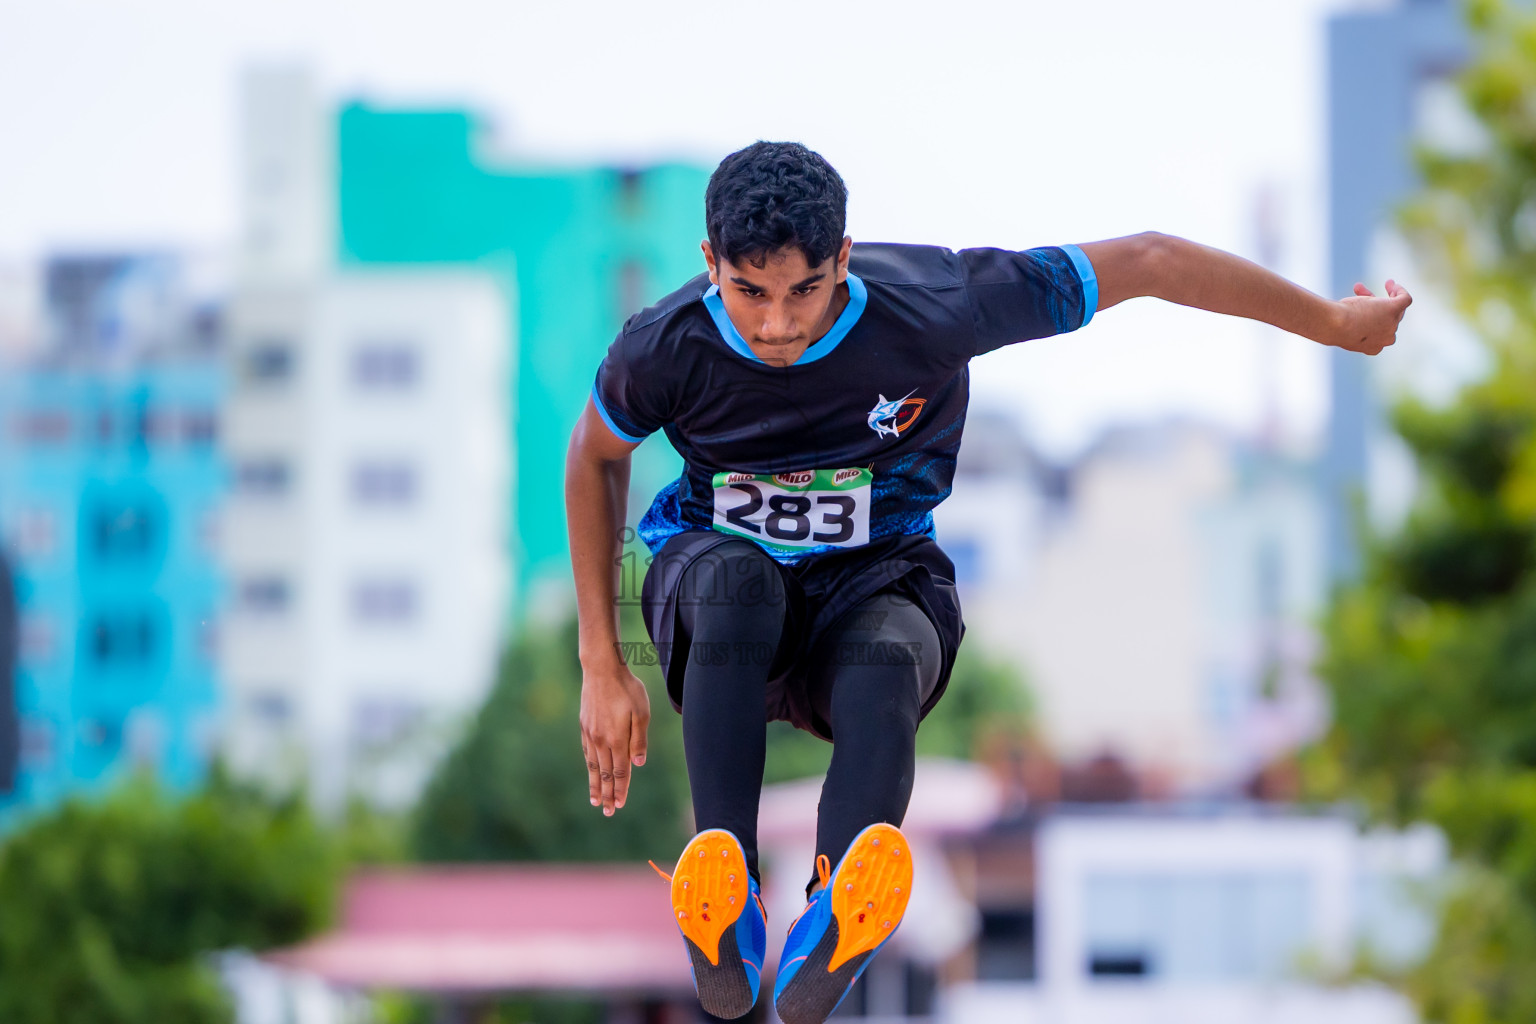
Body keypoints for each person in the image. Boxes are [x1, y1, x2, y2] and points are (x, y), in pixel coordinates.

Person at [565, 141, 1410, 1022]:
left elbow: (1152, 259)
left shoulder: (936, 305)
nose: (777, 326)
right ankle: (725, 895)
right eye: (750, 294)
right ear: (711, 266)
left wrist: (1334, 325)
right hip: (721, 595)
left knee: (888, 655)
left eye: (803, 291)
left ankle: (837, 912)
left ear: (843, 258)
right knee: (741, 583)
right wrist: (601, 661)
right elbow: (594, 459)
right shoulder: (667, 346)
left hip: (875, 580)